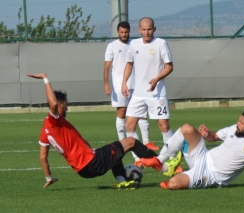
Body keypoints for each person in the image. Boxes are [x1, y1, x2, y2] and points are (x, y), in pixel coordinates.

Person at [27, 73, 160, 190]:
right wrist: (45, 79)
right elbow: (54, 105)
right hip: (91, 162)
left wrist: (49, 177)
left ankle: (122, 182)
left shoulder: (45, 130)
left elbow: (42, 158)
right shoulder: (54, 120)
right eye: (66, 105)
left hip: (83, 170)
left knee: (115, 151)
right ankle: (163, 164)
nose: (66, 109)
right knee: (131, 141)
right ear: (60, 104)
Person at [121, 17, 182, 173]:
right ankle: (139, 159)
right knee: (129, 125)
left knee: (164, 126)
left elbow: (170, 66)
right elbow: (129, 64)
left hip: (157, 94)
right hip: (138, 94)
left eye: (149, 29)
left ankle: (171, 159)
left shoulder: (161, 43)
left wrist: (157, 79)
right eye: (144, 29)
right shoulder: (134, 45)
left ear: (154, 29)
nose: (147, 32)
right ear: (139, 30)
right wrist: (124, 82)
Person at [103, 21, 159, 168]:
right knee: (122, 112)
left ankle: (146, 143)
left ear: (130, 31)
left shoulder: (135, 44)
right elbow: (107, 67)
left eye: (126, 32)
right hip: (119, 84)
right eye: (121, 32)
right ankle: (123, 143)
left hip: (137, 84)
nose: (124, 34)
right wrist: (106, 84)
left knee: (141, 114)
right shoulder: (112, 46)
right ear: (118, 32)